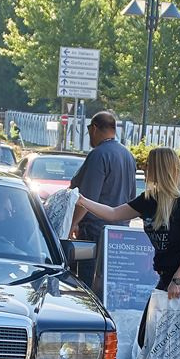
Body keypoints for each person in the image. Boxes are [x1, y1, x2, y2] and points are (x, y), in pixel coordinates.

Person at [77, 147, 180, 359]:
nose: (145, 170)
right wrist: (82, 200)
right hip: (166, 279)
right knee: (155, 337)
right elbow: (113, 213)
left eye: (149, 166)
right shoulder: (149, 200)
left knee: (156, 338)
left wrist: (178, 280)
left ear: (160, 168)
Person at [69, 111, 137, 284]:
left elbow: (86, 198)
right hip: (119, 234)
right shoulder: (128, 156)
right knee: (108, 283)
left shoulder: (98, 154)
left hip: (93, 233)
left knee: (87, 281)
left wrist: (72, 224)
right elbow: (132, 198)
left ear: (94, 128)